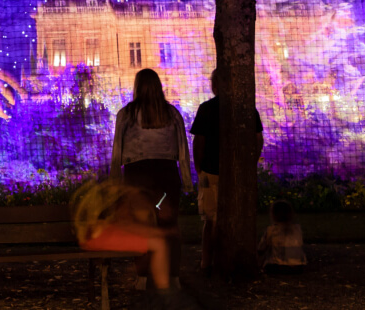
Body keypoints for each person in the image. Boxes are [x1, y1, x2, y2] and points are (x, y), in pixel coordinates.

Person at [111, 68, 192, 288]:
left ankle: (142, 277)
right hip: (166, 173)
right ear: (159, 86)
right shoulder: (172, 113)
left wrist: (115, 179)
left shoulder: (126, 114)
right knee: (169, 225)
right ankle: (173, 277)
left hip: (137, 174)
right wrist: (187, 181)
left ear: (136, 86)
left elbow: (117, 149)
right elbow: (183, 149)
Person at [72, 180, 198, 309]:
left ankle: (163, 291)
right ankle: (166, 294)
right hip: (98, 234)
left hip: (99, 231)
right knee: (158, 244)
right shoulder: (132, 197)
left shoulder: (129, 195)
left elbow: (131, 227)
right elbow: (128, 226)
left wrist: (160, 232)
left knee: (157, 241)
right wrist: (162, 232)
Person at [190, 67, 264, 274]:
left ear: (215, 85)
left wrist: (199, 167)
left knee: (210, 219)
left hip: (211, 170)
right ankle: (236, 259)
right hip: (238, 172)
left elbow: (199, 141)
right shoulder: (247, 108)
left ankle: (207, 261)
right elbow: (257, 139)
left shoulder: (206, 109)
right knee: (238, 216)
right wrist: (250, 164)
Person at [258, 200, 306, 274]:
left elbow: (261, 248)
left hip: (278, 267)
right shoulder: (297, 229)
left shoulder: (271, 230)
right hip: (298, 267)